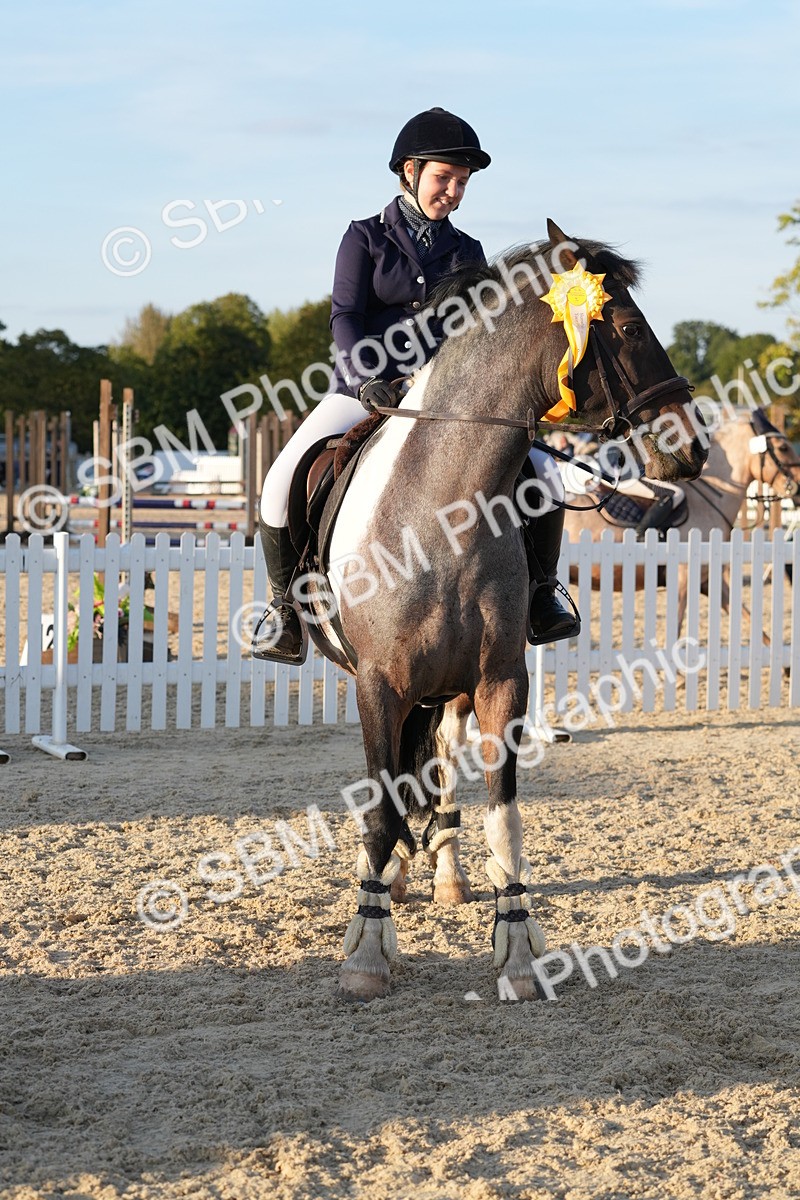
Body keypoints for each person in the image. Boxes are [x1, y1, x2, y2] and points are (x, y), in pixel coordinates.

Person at [252, 107, 578, 662]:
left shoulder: (468, 252)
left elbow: (479, 333)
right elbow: (345, 316)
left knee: (545, 475)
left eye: (462, 183)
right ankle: (285, 609)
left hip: (445, 400)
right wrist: (367, 380)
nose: (452, 191)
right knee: (281, 480)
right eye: (443, 178)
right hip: (364, 390)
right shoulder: (364, 237)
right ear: (410, 170)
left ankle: (542, 592)